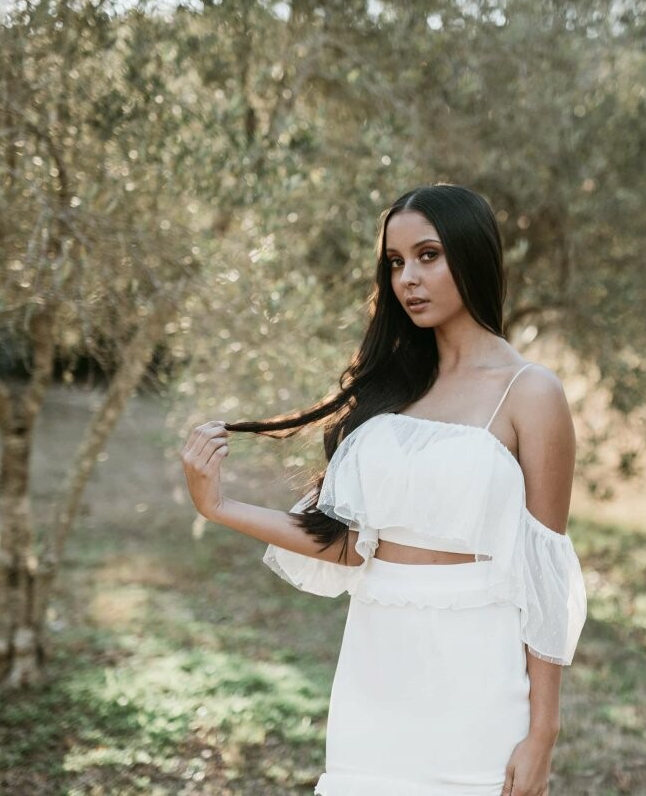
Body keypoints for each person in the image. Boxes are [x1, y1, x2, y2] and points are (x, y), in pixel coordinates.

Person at [181, 183, 588, 795]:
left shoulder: (531, 393)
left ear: (472, 255)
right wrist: (218, 506)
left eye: (428, 255)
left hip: (477, 677)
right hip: (374, 672)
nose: (408, 279)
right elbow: (348, 546)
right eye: (396, 262)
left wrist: (543, 733)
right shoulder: (390, 389)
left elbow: (546, 571)